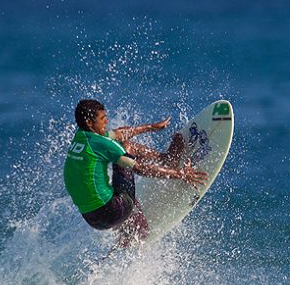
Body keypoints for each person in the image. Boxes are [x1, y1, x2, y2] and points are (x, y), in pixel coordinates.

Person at [63, 99, 207, 247]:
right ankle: (166, 161)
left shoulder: (81, 137)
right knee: (128, 147)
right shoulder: (101, 144)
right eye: (102, 118)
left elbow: (117, 134)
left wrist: (151, 127)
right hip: (113, 212)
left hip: (92, 218)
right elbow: (139, 168)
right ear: (89, 122)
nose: (106, 121)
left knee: (113, 185)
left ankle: (125, 234)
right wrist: (180, 174)